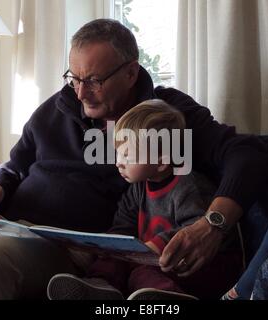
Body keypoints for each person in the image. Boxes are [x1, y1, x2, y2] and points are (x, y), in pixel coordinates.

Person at [0, 19, 268, 300]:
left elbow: (247, 154)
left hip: (67, 250)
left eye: (94, 80)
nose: (80, 93)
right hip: (5, 225)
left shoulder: (164, 117)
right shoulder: (56, 108)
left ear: (130, 73)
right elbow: (16, 163)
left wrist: (213, 223)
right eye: (74, 77)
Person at [47, 99, 244, 300]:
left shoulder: (187, 185)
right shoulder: (137, 189)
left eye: (127, 156)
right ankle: (100, 287)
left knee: (143, 272)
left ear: (161, 161)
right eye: (118, 154)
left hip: (205, 265)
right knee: (114, 259)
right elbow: (123, 227)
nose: (118, 163)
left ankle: (165, 296)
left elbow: (196, 231)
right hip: (158, 260)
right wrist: (106, 247)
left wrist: (156, 245)